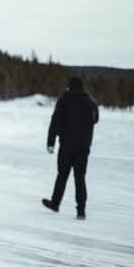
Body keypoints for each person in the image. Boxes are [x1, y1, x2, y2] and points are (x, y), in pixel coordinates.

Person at [43, 76, 99, 219]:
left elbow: (55, 121)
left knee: (62, 175)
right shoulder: (90, 102)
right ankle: (81, 210)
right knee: (80, 178)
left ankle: (55, 203)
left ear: (70, 87)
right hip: (83, 147)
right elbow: (95, 119)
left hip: (67, 145)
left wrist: (50, 142)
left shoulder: (64, 100)